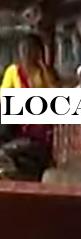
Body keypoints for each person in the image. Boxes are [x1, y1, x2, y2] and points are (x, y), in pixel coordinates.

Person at [0, 33, 60, 180]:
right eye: (23, 49)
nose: (25, 53)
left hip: (39, 129)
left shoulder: (44, 73)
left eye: (29, 49)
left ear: (38, 52)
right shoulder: (13, 71)